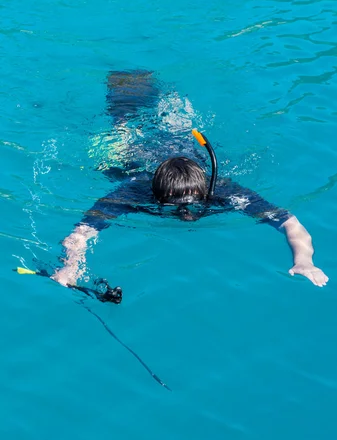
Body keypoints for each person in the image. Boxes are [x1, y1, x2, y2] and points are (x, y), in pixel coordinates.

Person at [52, 70, 328, 289]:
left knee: (179, 125)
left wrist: (304, 261)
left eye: (189, 201)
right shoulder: (135, 190)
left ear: (205, 188)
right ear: (155, 192)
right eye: (173, 204)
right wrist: (70, 267)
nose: (184, 209)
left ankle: (168, 98)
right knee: (113, 150)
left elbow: (288, 222)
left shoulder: (223, 190)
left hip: (183, 143)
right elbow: (80, 233)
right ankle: (123, 102)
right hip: (142, 154)